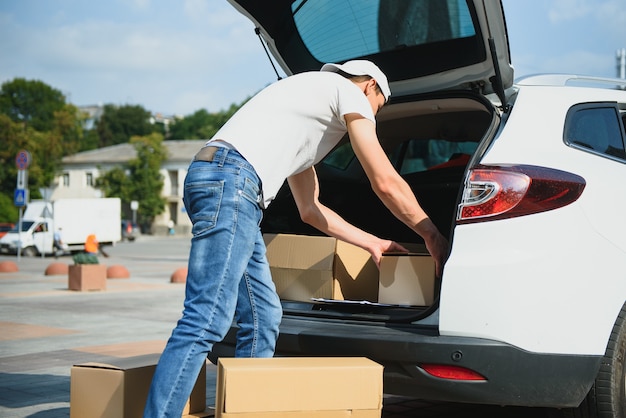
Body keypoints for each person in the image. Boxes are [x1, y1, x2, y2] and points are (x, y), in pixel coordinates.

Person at [144, 60, 449, 417]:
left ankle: (245, 411)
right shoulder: (347, 92)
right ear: (369, 86)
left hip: (229, 185)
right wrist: (430, 231)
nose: (373, 119)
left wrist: (370, 241)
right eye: (378, 109)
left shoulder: (306, 112)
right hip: (232, 184)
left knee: (265, 316)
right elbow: (383, 180)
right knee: (206, 316)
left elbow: (310, 209)